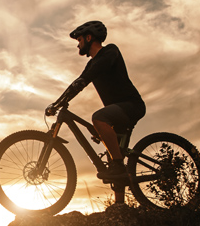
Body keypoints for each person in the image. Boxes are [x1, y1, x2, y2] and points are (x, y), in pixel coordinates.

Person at [45, 21, 146, 180]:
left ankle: (119, 165)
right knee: (112, 161)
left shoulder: (110, 51)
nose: (78, 45)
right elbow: (79, 82)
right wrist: (57, 103)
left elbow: (90, 75)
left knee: (98, 117)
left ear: (89, 37)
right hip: (117, 112)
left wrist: (78, 85)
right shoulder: (91, 64)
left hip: (131, 105)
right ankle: (119, 203)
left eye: (79, 40)